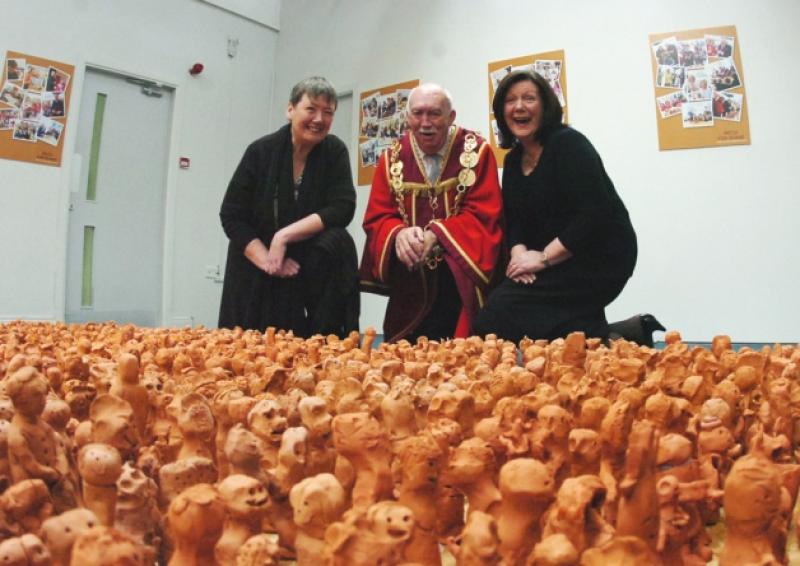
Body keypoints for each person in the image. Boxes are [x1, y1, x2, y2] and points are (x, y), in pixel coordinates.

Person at [474, 70, 637, 343]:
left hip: (601, 255)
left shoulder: (568, 144)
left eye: (529, 98)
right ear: (502, 113)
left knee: (495, 316)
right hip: (557, 256)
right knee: (537, 313)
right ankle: (614, 336)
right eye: (510, 100)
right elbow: (515, 220)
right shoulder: (513, 161)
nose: (519, 107)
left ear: (545, 106)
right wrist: (519, 256)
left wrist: (543, 258)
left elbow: (595, 213)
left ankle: (603, 336)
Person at [360, 84, 503, 342]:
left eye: (435, 114)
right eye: (417, 113)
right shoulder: (391, 159)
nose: (425, 123)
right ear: (407, 118)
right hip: (411, 277)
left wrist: (438, 234)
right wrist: (398, 234)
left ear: (451, 117)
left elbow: (485, 214)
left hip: (459, 280)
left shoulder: (477, 152)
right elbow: (377, 216)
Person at [218, 76, 358, 336]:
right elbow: (232, 214)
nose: (319, 119)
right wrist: (269, 261)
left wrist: (284, 236)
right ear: (290, 109)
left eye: (328, 112)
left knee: (337, 241)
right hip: (257, 260)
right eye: (311, 109)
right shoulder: (260, 151)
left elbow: (343, 207)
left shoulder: (335, 151)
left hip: (309, 260)